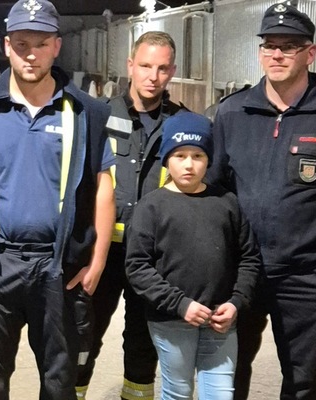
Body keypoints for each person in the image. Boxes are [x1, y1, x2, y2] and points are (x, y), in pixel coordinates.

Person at [0, 0, 116, 398]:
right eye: (22, 43)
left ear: (57, 46)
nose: (31, 53)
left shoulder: (87, 112)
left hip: (58, 268)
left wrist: (98, 261)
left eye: (41, 43)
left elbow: (103, 186)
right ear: (7, 45)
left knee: (59, 385)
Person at [207, 3, 316, 399]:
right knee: (227, 374)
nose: (277, 54)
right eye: (270, 45)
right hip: (242, 272)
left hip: (305, 275)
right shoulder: (232, 111)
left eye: (289, 46)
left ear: (310, 53)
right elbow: (215, 191)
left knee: (306, 380)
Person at [75, 31, 187, 400]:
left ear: (172, 71)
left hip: (154, 257)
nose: (152, 76)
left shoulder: (182, 125)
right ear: (129, 66)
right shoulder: (99, 115)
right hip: (101, 251)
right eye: (144, 66)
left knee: (143, 346)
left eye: (161, 68)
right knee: (80, 337)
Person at [125, 111, 260, 400]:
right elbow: (137, 267)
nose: (189, 164)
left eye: (197, 156)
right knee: (178, 391)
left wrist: (236, 303)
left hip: (220, 319)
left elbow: (249, 258)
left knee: (221, 394)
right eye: (180, 155)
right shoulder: (151, 207)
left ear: (208, 159)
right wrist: (180, 304)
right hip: (171, 320)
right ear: (167, 160)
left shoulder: (227, 203)